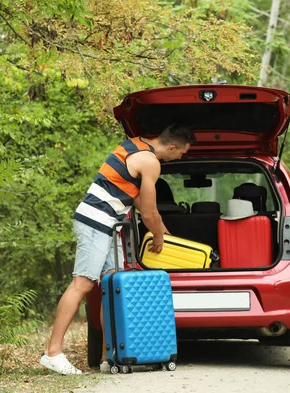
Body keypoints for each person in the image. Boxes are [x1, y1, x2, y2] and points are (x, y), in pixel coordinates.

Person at [40, 123, 196, 375]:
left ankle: (108, 357)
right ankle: (53, 352)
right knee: (83, 284)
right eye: (181, 153)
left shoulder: (134, 144)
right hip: (95, 221)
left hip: (109, 225)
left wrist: (160, 225)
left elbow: (133, 194)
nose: (180, 157)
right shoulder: (151, 162)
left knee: (111, 286)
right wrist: (158, 236)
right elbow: (147, 210)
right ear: (171, 147)